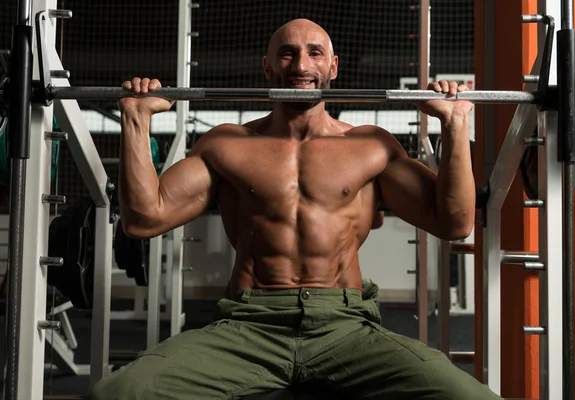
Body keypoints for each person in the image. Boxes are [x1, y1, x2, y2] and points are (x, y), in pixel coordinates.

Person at [91, 18, 502, 400]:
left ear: (333, 67)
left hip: (345, 325)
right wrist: (135, 120)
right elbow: (144, 218)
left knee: (467, 397)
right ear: (268, 68)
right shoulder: (228, 144)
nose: (301, 65)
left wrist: (455, 123)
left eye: (315, 53)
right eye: (287, 54)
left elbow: (455, 222)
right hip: (249, 324)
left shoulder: (371, 146)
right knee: (117, 394)